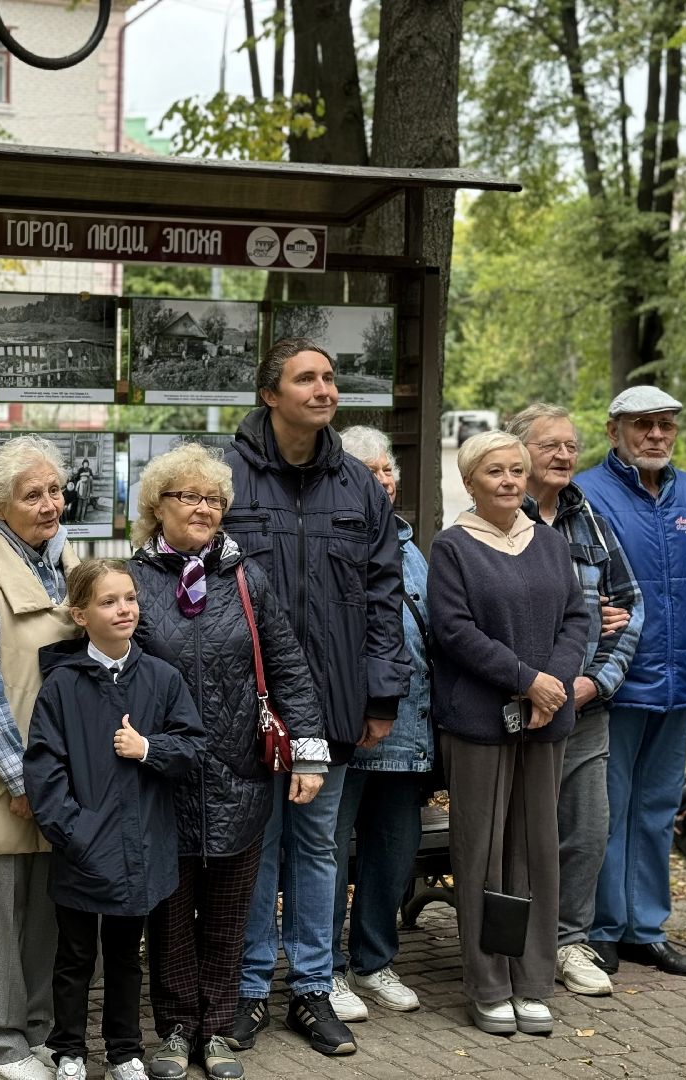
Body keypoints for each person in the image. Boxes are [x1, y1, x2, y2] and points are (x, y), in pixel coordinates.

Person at [224, 339, 411, 1057]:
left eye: (330, 377)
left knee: (317, 848)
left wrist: (381, 696)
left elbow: (384, 595)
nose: (324, 389)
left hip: (331, 705)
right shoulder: (226, 475)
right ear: (270, 394)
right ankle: (248, 990)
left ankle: (311, 988)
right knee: (255, 847)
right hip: (247, 705)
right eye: (306, 378)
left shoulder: (357, 485)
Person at [129, 444, 326, 1080]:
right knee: (168, 919)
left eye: (214, 499)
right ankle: (174, 1029)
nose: (204, 508)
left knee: (228, 916)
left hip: (240, 777)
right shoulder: (132, 581)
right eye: (189, 496)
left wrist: (309, 754)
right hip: (163, 780)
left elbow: (288, 665)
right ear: (158, 505)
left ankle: (215, 1031)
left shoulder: (247, 579)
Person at [428, 431, 589, 1037]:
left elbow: (576, 619)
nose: (508, 480)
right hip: (480, 723)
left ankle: (532, 981)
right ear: (469, 481)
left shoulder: (549, 543)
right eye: (494, 471)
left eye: (516, 470)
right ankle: (490, 983)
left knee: (537, 854)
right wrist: (526, 681)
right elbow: (453, 630)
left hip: (546, 721)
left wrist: (553, 684)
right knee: (484, 856)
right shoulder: (452, 547)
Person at [24, 559, 205, 1080]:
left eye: (129, 598)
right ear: (80, 615)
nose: (124, 609)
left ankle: (125, 1050)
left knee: (126, 957)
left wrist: (148, 748)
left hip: (140, 849)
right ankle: (69, 1049)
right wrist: (75, 833)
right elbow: (43, 769)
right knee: (75, 957)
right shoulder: (61, 686)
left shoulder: (162, 678)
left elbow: (192, 747)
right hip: (82, 850)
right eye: (108, 601)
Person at [575, 387, 686, 978]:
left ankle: (646, 929)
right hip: (615, 681)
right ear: (614, 432)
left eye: (665, 424)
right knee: (606, 809)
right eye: (642, 425)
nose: (656, 435)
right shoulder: (587, 492)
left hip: (680, 682)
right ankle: (602, 927)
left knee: (659, 808)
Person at [0, 434, 81, 1080]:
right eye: (33, 495)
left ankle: (35, 1033)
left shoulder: (59, 564)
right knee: (0, 917)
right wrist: (21, 777)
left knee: (44, 915)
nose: (50, 504)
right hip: (6, 778)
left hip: (55, 776)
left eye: (55, 490)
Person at [505, 404, 644, 997]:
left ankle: (569, 942)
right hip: (517, 707)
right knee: (517, 835)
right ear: (519, 452)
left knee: (586, 830)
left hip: (586, 706)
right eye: (550, 445)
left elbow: (630, 604)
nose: (564, 455)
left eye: (570, 445)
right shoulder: (496, 517)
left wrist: (597, 681)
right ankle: (512, 947)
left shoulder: (588, 519)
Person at [328, 426, 433, 1020]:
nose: (383, 480)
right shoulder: (332, 541)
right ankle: (327, 970)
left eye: (388, 468)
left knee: (393, 854)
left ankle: (373, 962)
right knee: (328, 853)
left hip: (407, 731)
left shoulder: (412, 548)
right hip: (349, 729)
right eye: (369, 470)